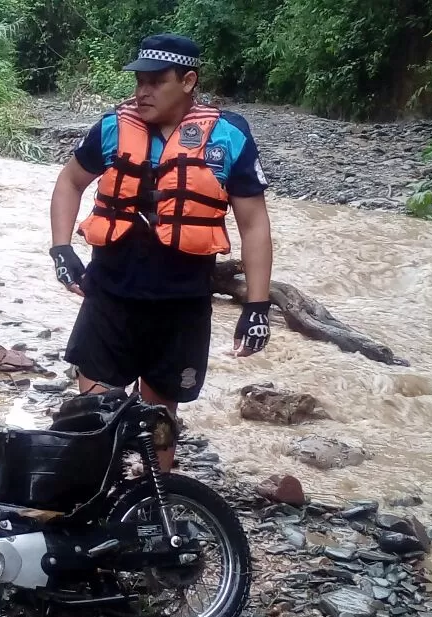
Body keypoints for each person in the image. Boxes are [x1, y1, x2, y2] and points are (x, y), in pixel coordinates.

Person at [49, 33, 274, 472]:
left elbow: (254, 223)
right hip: (110, 297)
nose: (142, 91)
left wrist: (258, 305)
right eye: (139, 81)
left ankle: (157, 503)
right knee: (94, 417)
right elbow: (69, 182)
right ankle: (92, 506)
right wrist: (61, 248)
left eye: (155, 81)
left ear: (188, 80)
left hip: (180, 306)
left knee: (160, 419)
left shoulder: (227, 138)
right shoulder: (113, 128)